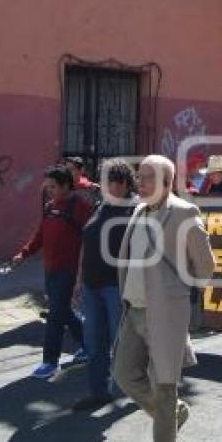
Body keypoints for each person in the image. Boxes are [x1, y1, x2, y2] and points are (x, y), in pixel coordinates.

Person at [112, 154, 216, 442]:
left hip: (165, 313)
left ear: (167, 183)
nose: (138, 183)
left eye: (146, 178)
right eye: (138, 177)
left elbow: (206, 268)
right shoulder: (139, 211)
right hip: (134, 309)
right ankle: (171, 415)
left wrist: (177, 288)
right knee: (124, 375)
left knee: (164, 385)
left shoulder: (185, 213)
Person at [13, 166, 93, 379]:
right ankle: (89, 345)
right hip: (51, 270)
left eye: (53, 186)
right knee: (63, 311)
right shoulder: (50, 207)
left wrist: (81, 276)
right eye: (47, 187)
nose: (49, 190)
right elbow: (40, 235)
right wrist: (24, 254)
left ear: (67, 186)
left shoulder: (81, 208)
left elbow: (91, 239)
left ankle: (50, 361)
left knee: (56, 316)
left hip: (69, 271)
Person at [72, 159, 138, 411]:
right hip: (92, 285)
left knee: (122, 343)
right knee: (94, 342)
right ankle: (99, 392)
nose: (105, 186)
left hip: (117, 287)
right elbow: (86, 244)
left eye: (110, 181)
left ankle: (137, 389)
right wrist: (79, 279)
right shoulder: (100, 207)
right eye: (103, 181)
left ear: (122, 183)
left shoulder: (136, 210)